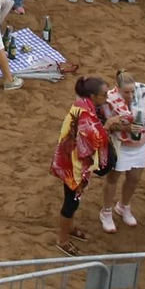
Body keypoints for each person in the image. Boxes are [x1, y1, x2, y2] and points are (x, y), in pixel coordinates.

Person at [51, 75, 113, 255]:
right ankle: (62, 240)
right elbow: (96, 138)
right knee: (71, 202)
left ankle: (69, 229)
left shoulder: (83, 105)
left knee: (73, 200)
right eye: (103, 94)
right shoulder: (85, 113)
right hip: (73, 165)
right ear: (93, 96)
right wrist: (108, 125)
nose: (106, 97)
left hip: (70, 159)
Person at [98, 70, 145, 233]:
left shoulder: (143, 90)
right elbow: (107, 124)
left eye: (132, 91)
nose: (130, 95)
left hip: (139, 144)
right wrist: (126, 127)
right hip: (120, 145)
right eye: (126, 92)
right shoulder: (109, 99)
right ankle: (106, 211)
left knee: (134, 178)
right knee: (113, 178)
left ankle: (123, 206)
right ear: (118, 88)